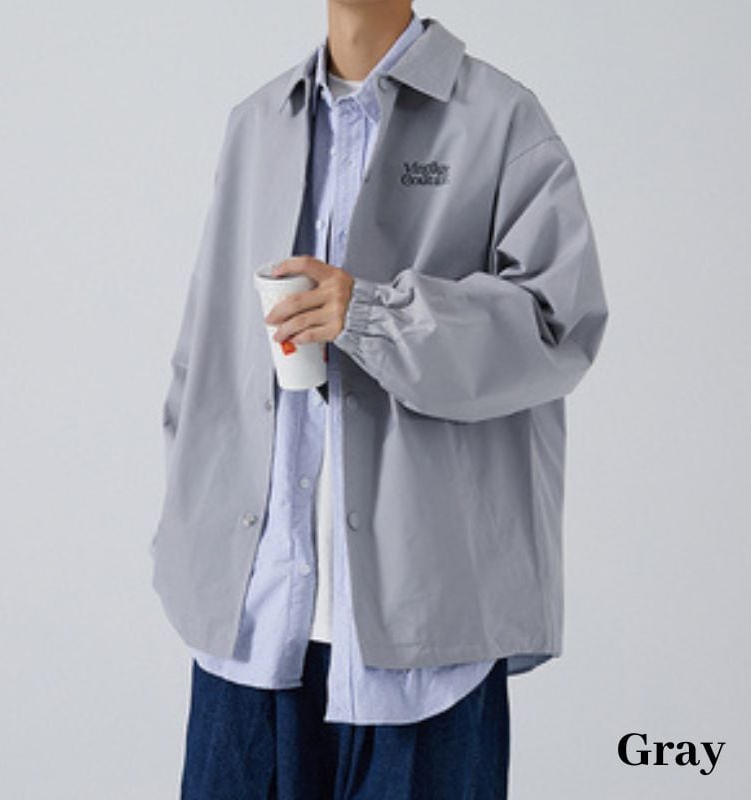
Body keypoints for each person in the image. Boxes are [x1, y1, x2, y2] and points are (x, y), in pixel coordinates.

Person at [150, 1, 609, 797]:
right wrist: (192, 534)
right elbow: (204, 355)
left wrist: (371, 314)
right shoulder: (256, 124)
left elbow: (557, 327)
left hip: (426, 641)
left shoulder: (501, 118)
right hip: (250, 627)